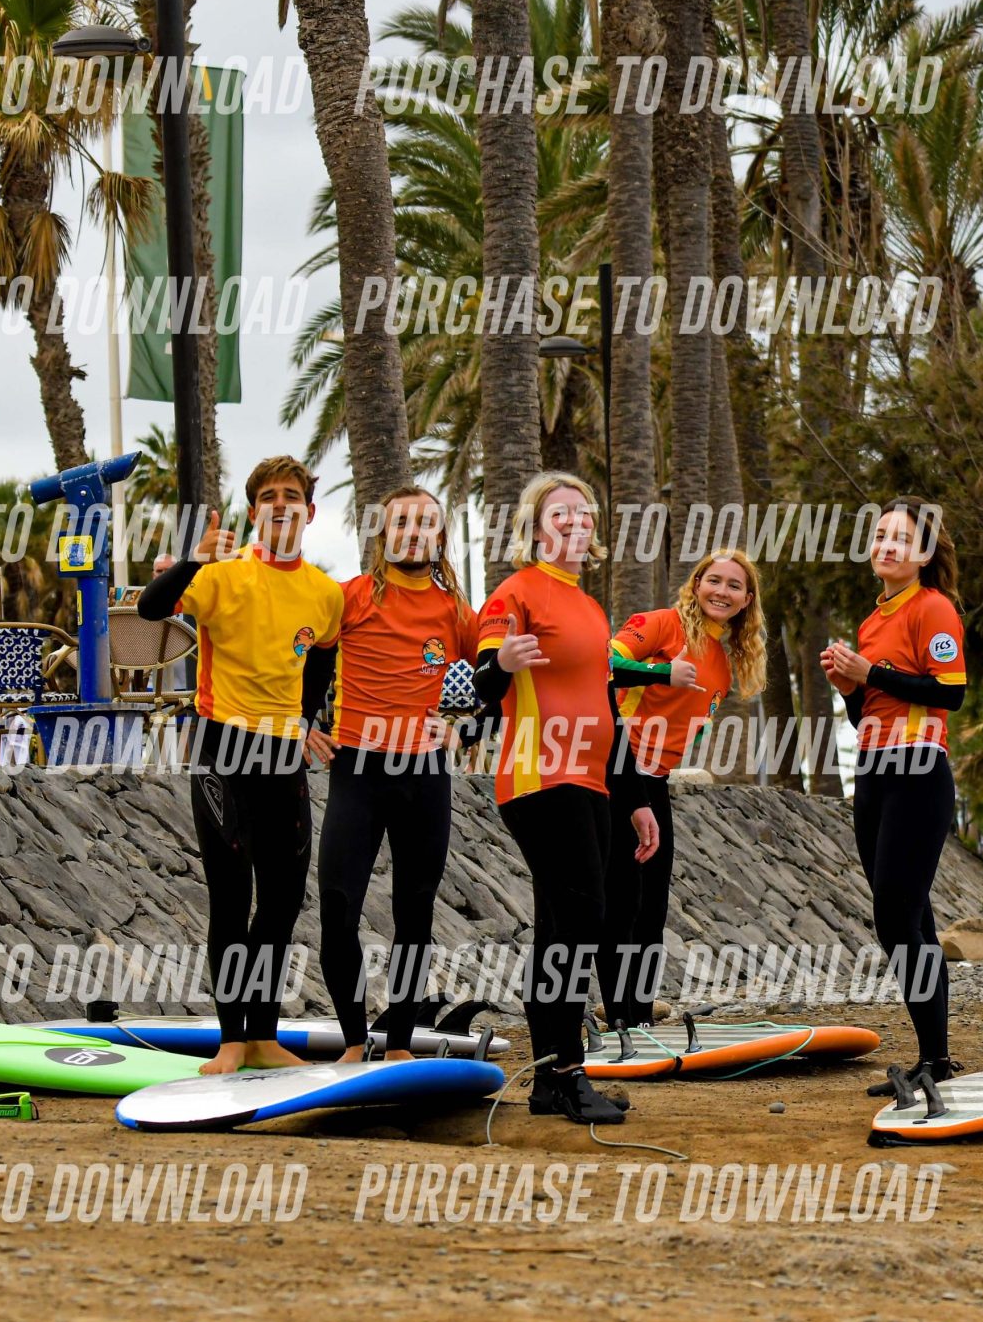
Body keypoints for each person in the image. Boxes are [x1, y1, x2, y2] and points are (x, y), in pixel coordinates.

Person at [137, 456, 344, 1076]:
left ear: (309, 511)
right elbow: (150, 609)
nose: (281, 504)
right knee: (231, 898)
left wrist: (306, 719)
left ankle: (262, 1036)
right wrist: (192, 561)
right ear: (254, 512)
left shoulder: (325, 593)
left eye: (291, 495)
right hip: (223, 748)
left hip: (282, 754)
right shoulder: (222, 575)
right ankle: (232, 1040)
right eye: (269, 496)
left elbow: (323, 658)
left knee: (282, 902)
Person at [475, 471, 655, 1123]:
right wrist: (501, 665)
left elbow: (606, 705)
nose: (574, 521)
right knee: (581, 919)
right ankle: (566, 1070)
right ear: (534, 526)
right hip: (540, 777)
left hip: (591, 782)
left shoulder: (589, 606)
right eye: (559, 512)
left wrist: (635, 797)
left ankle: (551, 1082)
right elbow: (479, 684)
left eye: (583, 512)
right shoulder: (516, 593)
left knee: (561, 925)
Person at [304, 487, 479, 1062]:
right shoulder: (349, 597)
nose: (413, 532)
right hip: (357, 768)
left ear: (439, 536)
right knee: (338, 906)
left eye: (425, 522)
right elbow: (311, 661)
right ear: (384, 534)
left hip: (424, 773)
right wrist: (303, 723)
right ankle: (355, 1042)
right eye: (401, 522)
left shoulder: (456, 612)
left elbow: (492, 681)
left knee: (415, 912)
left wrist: (464, 730)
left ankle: (400, 1044)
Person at [822, 499, 967, 1085]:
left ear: (924, 554)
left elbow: (950, 693)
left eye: (901, 538)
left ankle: (935, 1060)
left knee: (896, 915)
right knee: (909, 918)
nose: (886, 546)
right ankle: (935, 1059)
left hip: (919, 770)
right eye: (880, 535)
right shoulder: (872, 620)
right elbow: (868, 715)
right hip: (874, 771)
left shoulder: (933, 607)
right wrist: (849, 689)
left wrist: (870, 674)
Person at [603, 549, 768, 1028]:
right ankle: (619, 1019)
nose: (722, 591)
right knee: (623, 902)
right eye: (713, 580)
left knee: (651, 908)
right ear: (696, 585)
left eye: (734, 585)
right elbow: (602, 665)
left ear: (747, 600)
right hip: (616, 768)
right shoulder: (660, 624)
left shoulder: (722, 664)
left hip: (656, 781)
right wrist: (662, 673)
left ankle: (639, 1018)